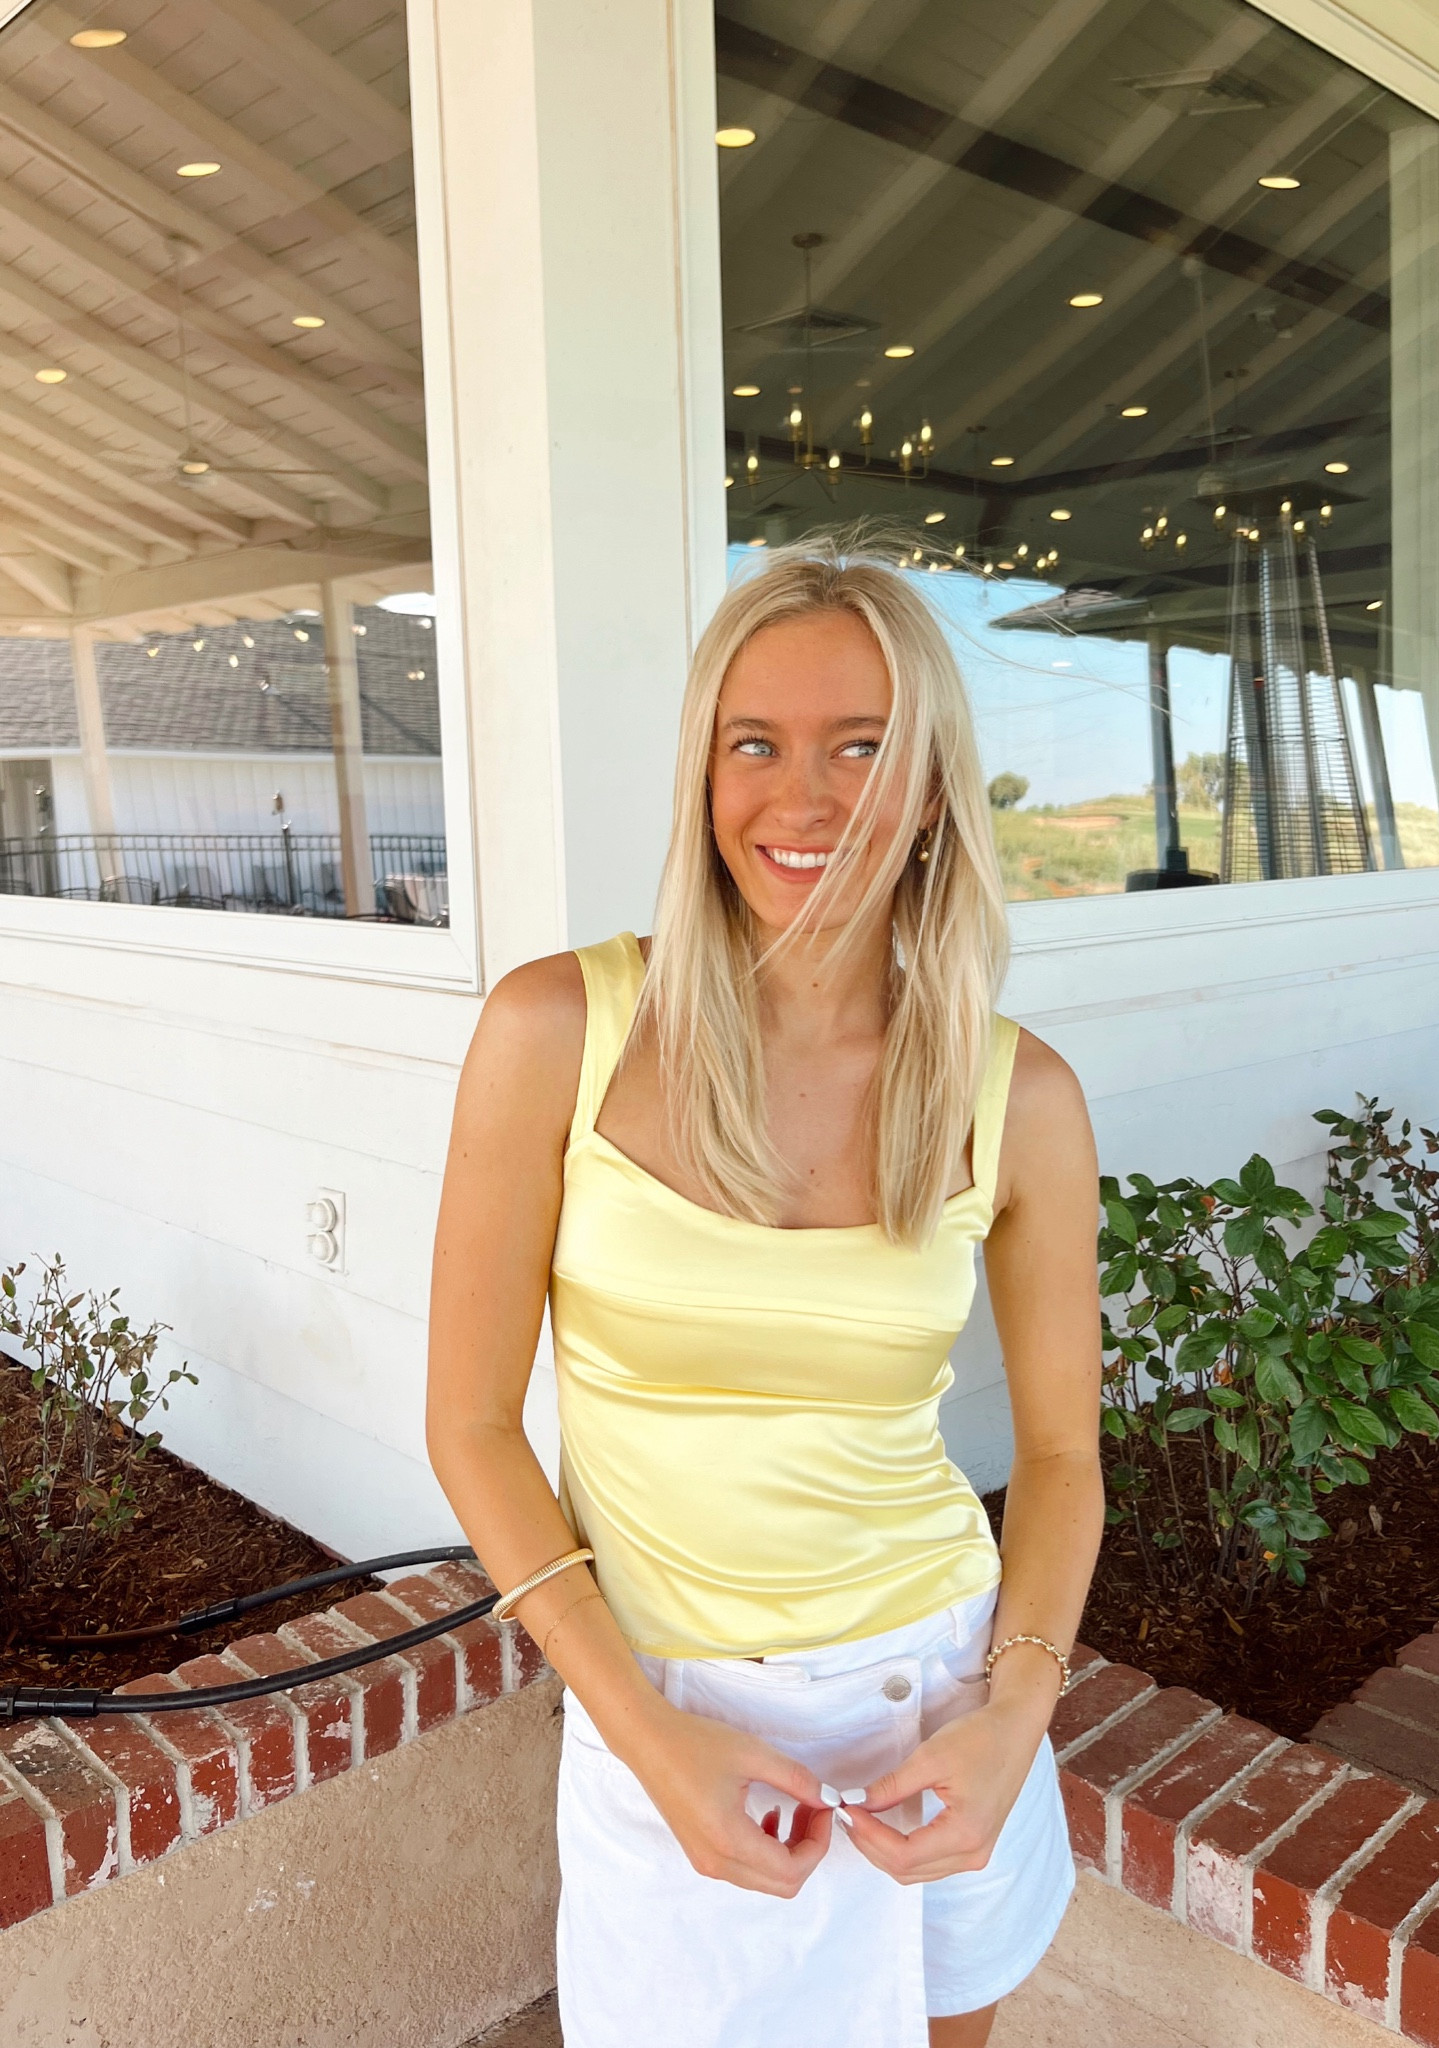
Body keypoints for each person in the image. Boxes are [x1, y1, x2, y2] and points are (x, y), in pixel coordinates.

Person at [425, 533, 1105, 2048]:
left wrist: (1013, 1716)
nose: (803, 801)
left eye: (863, 749)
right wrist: (640, 1731)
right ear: (703, 770)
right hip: (662, 1706)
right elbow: (468, 1425)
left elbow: (1061, 1459)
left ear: (932, 790)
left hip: (937, 1687)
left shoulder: (1019, 1096)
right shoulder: (558, 1029)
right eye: (759, 745)